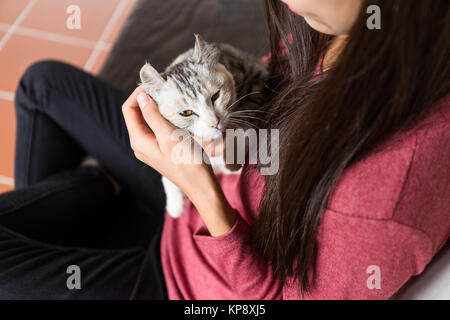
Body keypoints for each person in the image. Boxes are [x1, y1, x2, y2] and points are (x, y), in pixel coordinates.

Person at [0, 0, 448, 299]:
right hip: (206, 179)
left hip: (185, 284)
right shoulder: (345, 30)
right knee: (43, 84)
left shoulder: (385, 194)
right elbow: (268, 93)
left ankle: (93, 191)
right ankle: (94, 188)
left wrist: (201, 190)